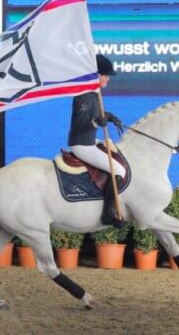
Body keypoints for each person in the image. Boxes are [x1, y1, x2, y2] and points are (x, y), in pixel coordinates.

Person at [68, 54, 125, 228]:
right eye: (105, 75)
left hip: (91, 140)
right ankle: (108, 213)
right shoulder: (84, 96)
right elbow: (81, 121)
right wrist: (96, 122)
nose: (107, 79)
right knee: (118, 170)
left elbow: (97, 112)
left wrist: (109, 116)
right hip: (82, 144)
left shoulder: (94, 94)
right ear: (97, 76)